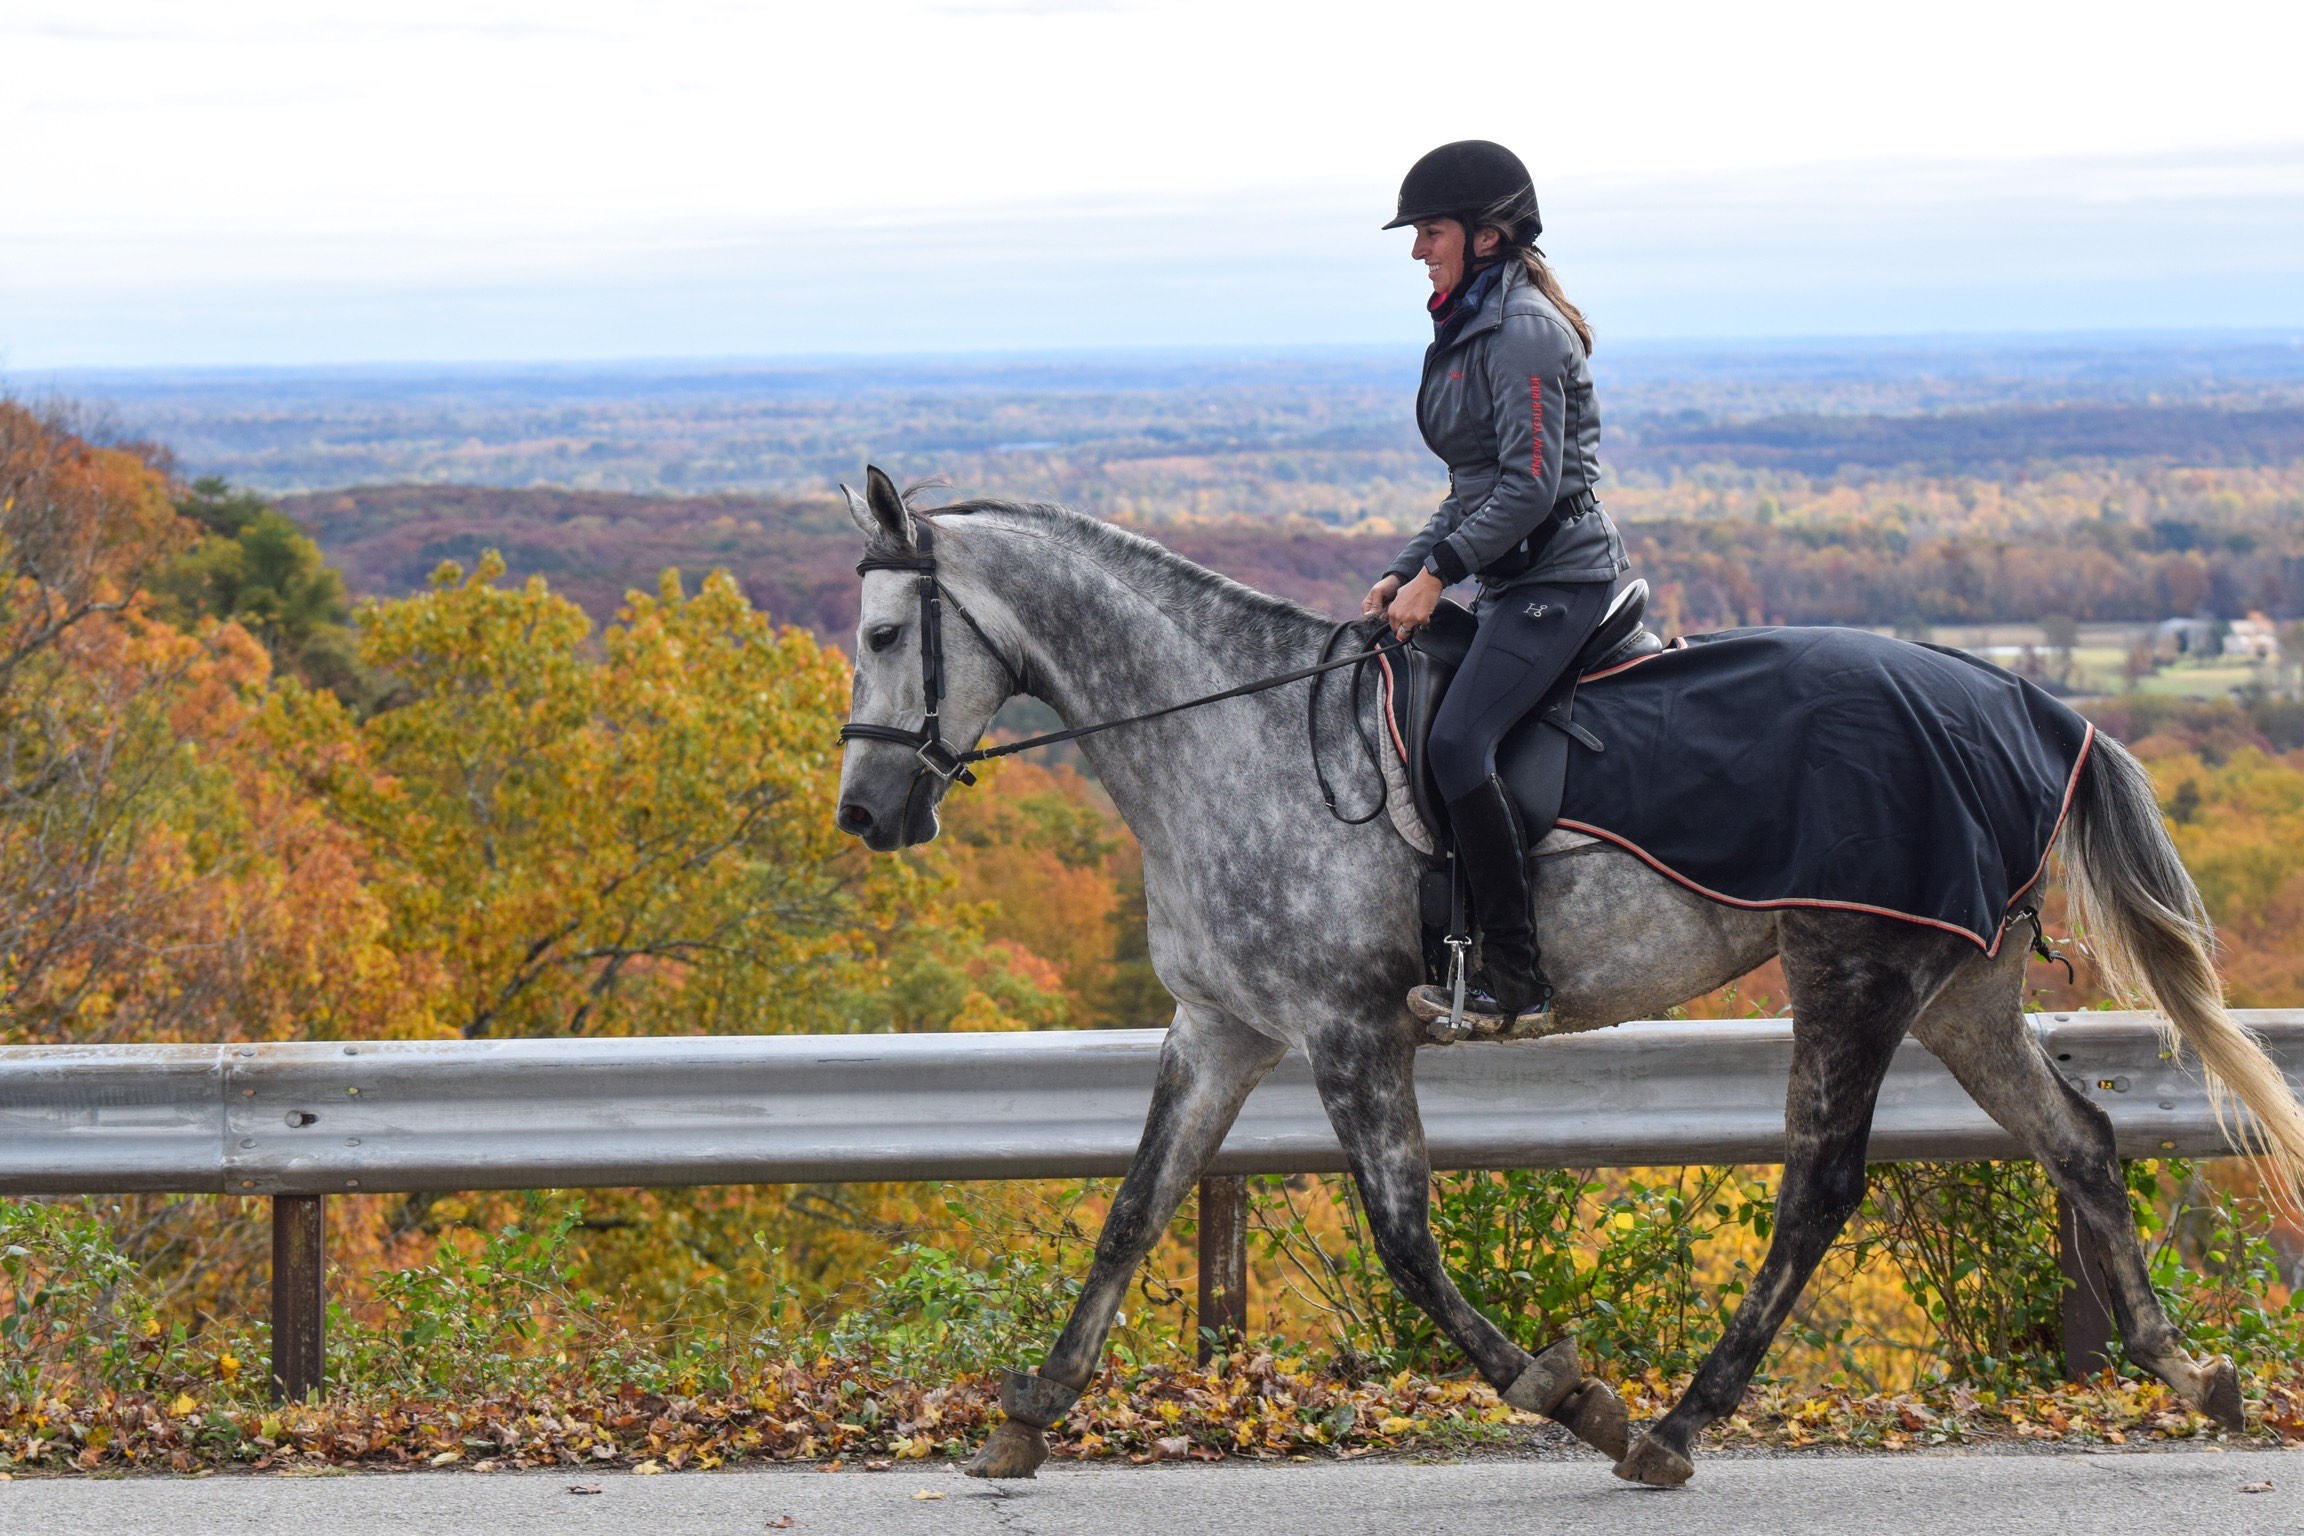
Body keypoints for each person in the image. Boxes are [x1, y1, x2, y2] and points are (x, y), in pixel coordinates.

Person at [1362, 139, 1629, 1027]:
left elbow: (1529, 487)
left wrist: (1439, 573)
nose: (1416, 251)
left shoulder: (1521, 333)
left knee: (1455, 744)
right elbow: (1473, 488)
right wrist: (1407, 564)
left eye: (1430, 231)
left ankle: (1515, 976)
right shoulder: (1469, 326)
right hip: (1512, 577)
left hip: (1563, 577)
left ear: (1487, 235)